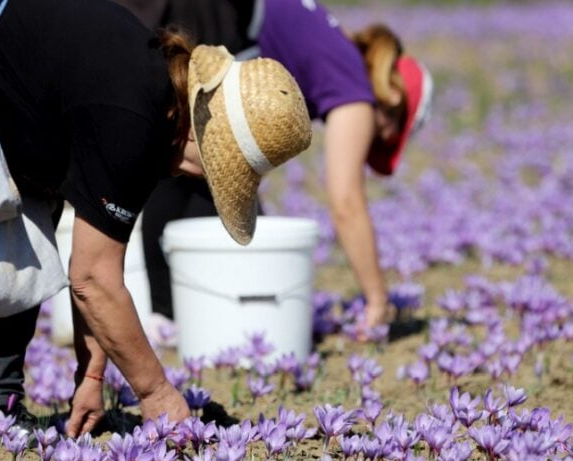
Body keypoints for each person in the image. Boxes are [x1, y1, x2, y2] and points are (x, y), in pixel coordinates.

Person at [0, 0, 311, 437]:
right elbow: (94, 281)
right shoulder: (132, 115)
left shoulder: (155, 101)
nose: (199, 176)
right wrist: (155, 392)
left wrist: (90, 375)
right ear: (196, 127)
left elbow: (96, 256)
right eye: (213, 163)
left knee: (26, 223)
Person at [115, 0, 433, 331]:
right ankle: (171, 317)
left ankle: (173, 315)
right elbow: (346, 203)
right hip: (203, 16)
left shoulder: (338, 46)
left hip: (202, 15)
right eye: (389, 135)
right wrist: (378, 300)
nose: (376, 139)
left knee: (195, 168)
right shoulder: (355, 87)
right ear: (394, 100)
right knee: (180, 153)